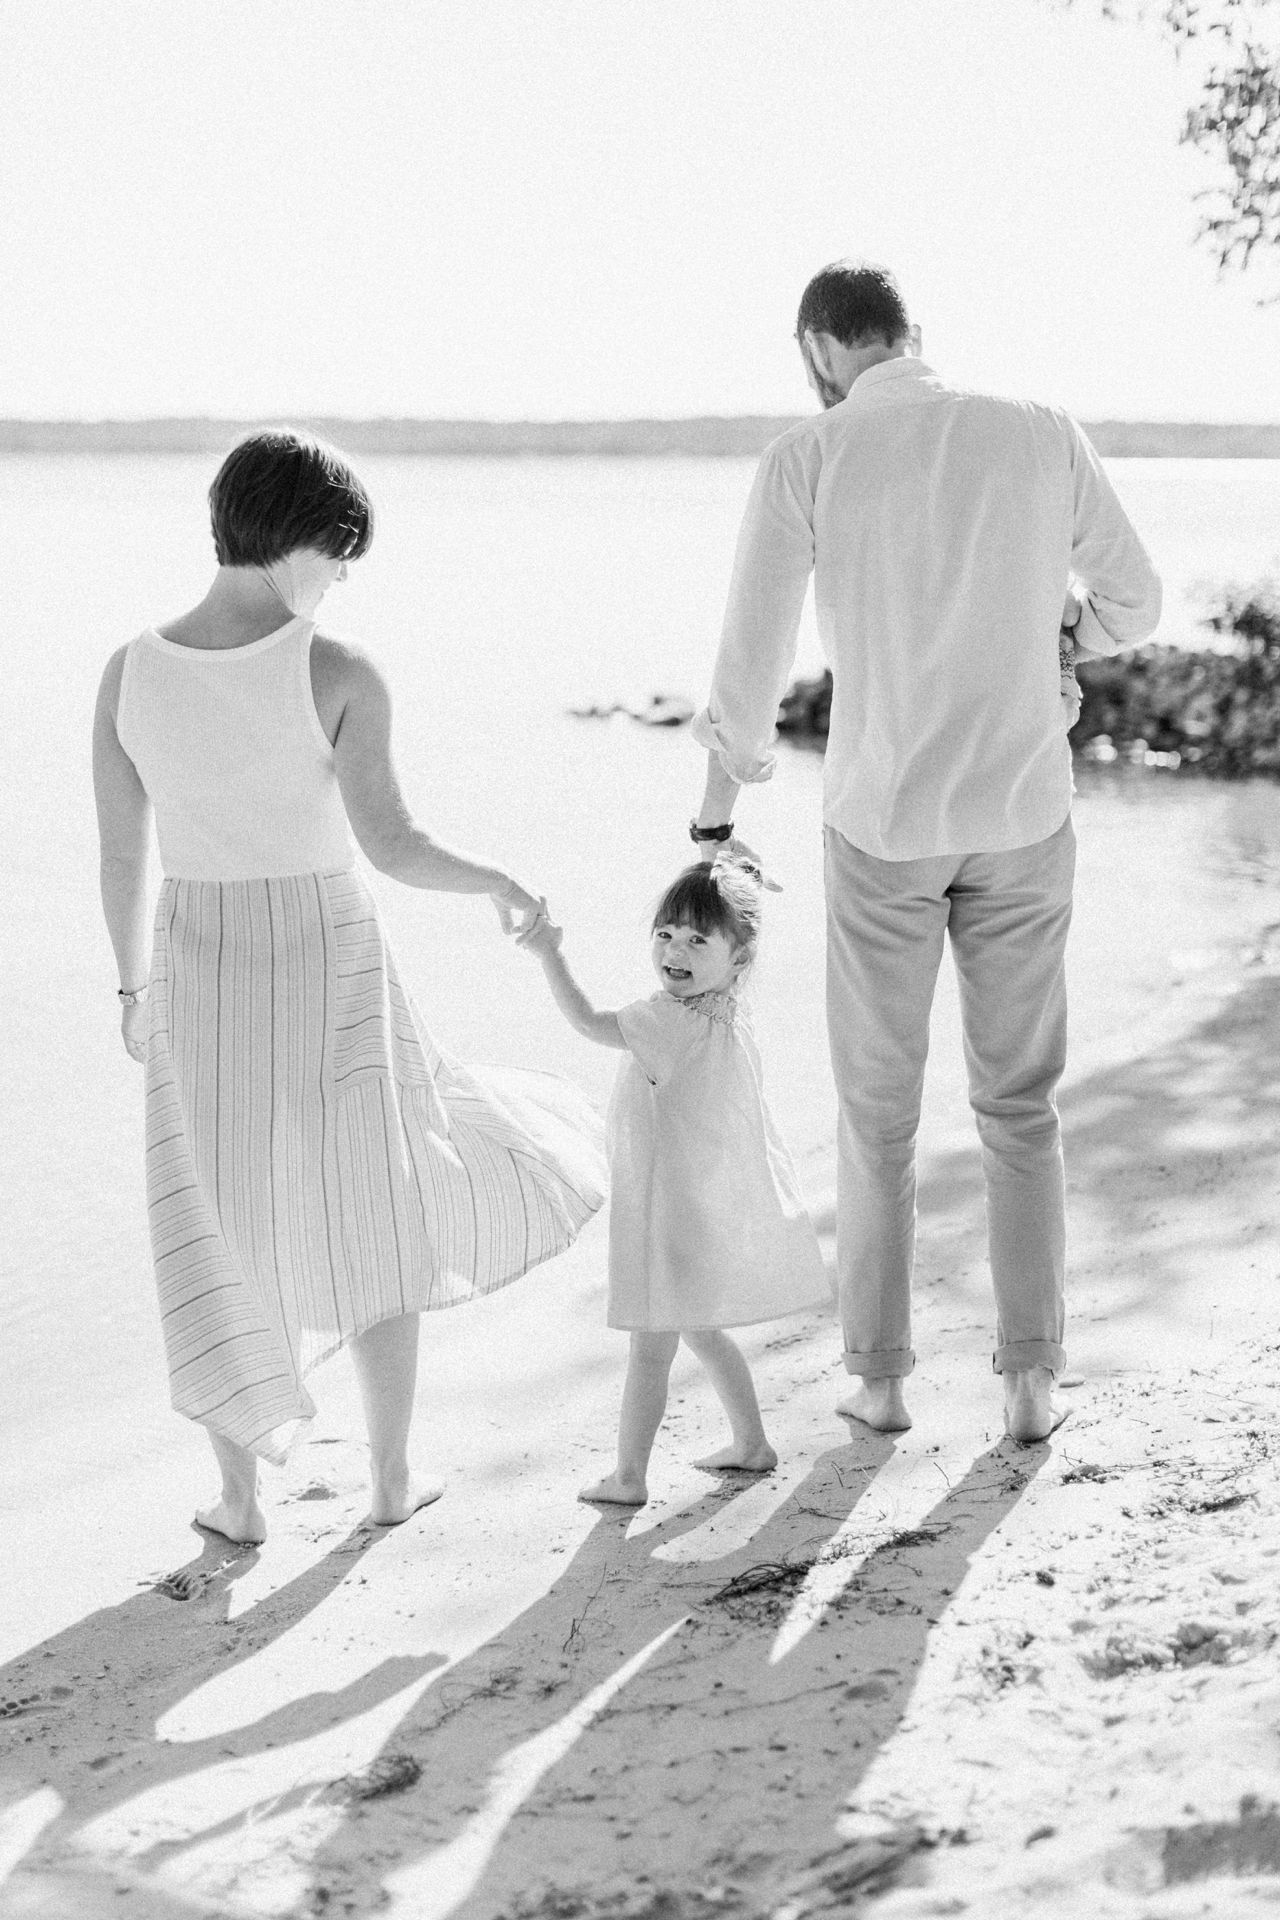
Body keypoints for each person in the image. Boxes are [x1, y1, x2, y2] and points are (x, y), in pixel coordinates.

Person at [92, 428, 606, 1544]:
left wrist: (132, 991)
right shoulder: (334, 666)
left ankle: (238, 1498)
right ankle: (384, 1480)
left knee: (212, 1223)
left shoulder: (128, 670)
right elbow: (393, 842)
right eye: (339, 556)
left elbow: (123, 856)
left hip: (195, 963)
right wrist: (499, 880)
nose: (337, 581)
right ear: (301, 540)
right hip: (327, 957)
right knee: (377, 1204)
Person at [688, 260, 1162, 1445]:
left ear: (817, 349)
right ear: (912, 334)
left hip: (882, 825)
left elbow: (748, 668)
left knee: (876, 1113)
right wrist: (1067, 628)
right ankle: (1028, 1382)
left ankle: (883, 1380)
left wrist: (711, 821)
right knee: (1018, 1105)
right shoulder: (1037, 429)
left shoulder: (810, 455)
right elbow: (1135, 600)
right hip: (1018, 813)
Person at [518, 856, 829, 1505]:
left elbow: (588, 1021)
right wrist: (737, 874)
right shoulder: (726, 1012)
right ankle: (751, 1442)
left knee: (650, 1351)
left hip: (667, 1215)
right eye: (666, 934)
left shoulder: (670, 1019)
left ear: (738, 957)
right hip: (700, 1209)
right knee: (703, 1332)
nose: (674, 951)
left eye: (696, 939)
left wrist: (549, 953)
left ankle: (629, 1476)